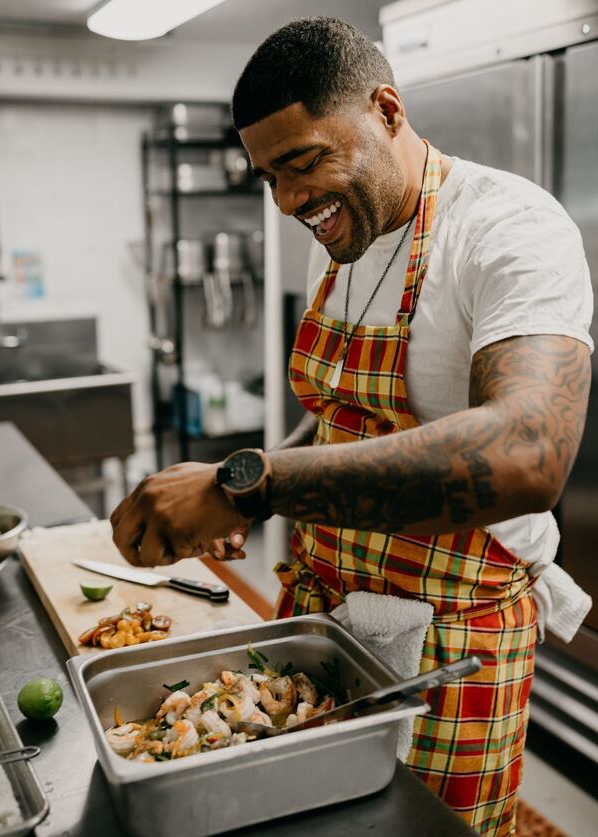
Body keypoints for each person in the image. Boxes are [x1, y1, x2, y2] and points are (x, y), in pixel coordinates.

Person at [111, 17, 593, 836]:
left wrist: (256, 489)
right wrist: (238, 473)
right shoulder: (339, 235)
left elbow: (525, 455)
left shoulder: (509, 228)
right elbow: (340, 419)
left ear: (387, 109)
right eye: (268, 176)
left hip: (453, 637)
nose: (289, 201)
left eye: (303, 163)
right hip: (331, 611)